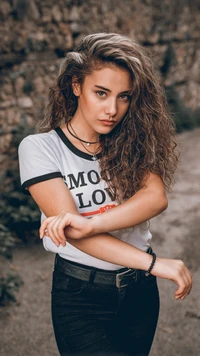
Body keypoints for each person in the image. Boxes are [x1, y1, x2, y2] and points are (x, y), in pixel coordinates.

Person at [18, 33, 192, 356]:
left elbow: (155, 198)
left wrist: (91, 223)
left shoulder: (130, 142)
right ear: (76, 85)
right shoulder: (40, 148)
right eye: (101, 93)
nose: (112, 109)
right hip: (80, 299)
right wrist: (154, 263)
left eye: (123, 96)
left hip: (140, 296)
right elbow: (73, 235)